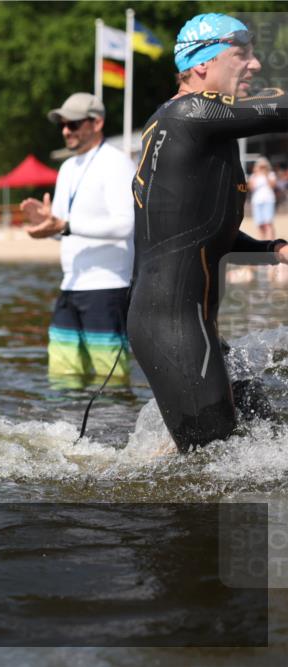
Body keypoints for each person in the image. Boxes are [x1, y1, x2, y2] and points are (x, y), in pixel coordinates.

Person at [128, 13, 288, 452]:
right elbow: (279, 109)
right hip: (171, 324)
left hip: (188, 321)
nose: (254, 65)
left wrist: (273, 248)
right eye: (242, 54)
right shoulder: (192, 112)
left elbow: (200, 232)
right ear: (202, 65)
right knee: (214, 466)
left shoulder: (201, 130)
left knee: (263, 432)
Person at [20, 92, 135, 388]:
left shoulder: (117, 163)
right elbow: (63, 229)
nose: (65, 130)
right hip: (70, 285)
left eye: (73, 123)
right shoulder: (67, 168)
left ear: (97, 122)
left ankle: (115, 429)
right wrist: (45, 226)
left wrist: (64, 225)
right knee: (62, 377)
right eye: (62, 124)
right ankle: (65, 433)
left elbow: (125, 225)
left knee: (110, 381)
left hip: (107, 287)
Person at [248, 157, 277, 241]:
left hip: (268, 200)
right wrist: (256, 173)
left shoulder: (270, 174)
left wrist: (266, 174)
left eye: (263, 166)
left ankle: (270, 242)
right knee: (259, 224)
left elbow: (272, 186)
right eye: (260, 166)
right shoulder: (253, 176)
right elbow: (251, 187)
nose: (261, 168)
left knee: (268, 223)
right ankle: (262, 243)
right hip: (257, 201)